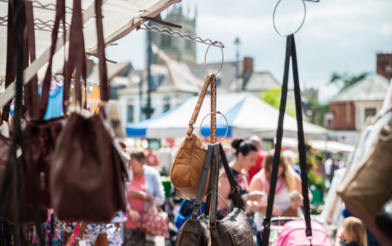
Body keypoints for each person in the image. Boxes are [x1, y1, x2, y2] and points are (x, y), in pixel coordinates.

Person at [249, 150, 313, 246]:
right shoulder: (258, 179)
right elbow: (251, 204)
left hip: (290, 227)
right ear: (267, 166)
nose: (277, 169)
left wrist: (301, 200)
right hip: (265, 228)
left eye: (280, 166)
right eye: (273, 166)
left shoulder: (292, 177)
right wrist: (267, 207)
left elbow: (308, 196)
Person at [124, 149, 165, 246]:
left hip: (148, 225)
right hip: (129, 225)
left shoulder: (152, 174)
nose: (130, 164)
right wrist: (129, 210)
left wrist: (144, 196)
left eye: (132, 161)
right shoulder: (126, 175)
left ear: (141, 161)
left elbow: (161, 199)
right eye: (128, 161)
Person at [217, 139, 259, 214]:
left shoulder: (244, 173)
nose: (254, 164)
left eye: (255, 160)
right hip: (228, 222)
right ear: (240, 156)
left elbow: (244, 198)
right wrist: (246, 197)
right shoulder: (226, 175)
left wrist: (251, 204)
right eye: (251, 160)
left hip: (240, 221)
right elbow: (221, 203)